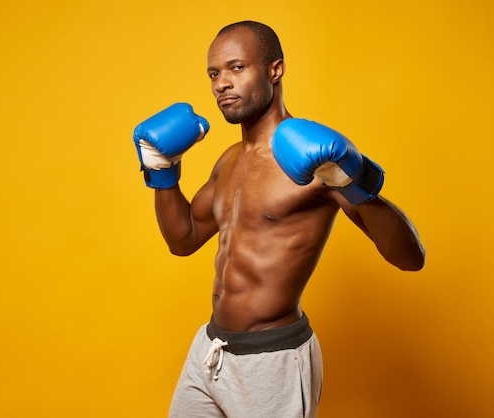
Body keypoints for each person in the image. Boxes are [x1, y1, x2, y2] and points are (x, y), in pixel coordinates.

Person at [132, 20, 425, 418]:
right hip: (211, 350)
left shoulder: (317, 161)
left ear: (275, 70)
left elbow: (409, 257)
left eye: (236, 68)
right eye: (214, 73)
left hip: (273, 362)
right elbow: (182, 240)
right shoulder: (228, 162)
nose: (221, 83)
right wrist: (162, 173)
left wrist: (354, 180)